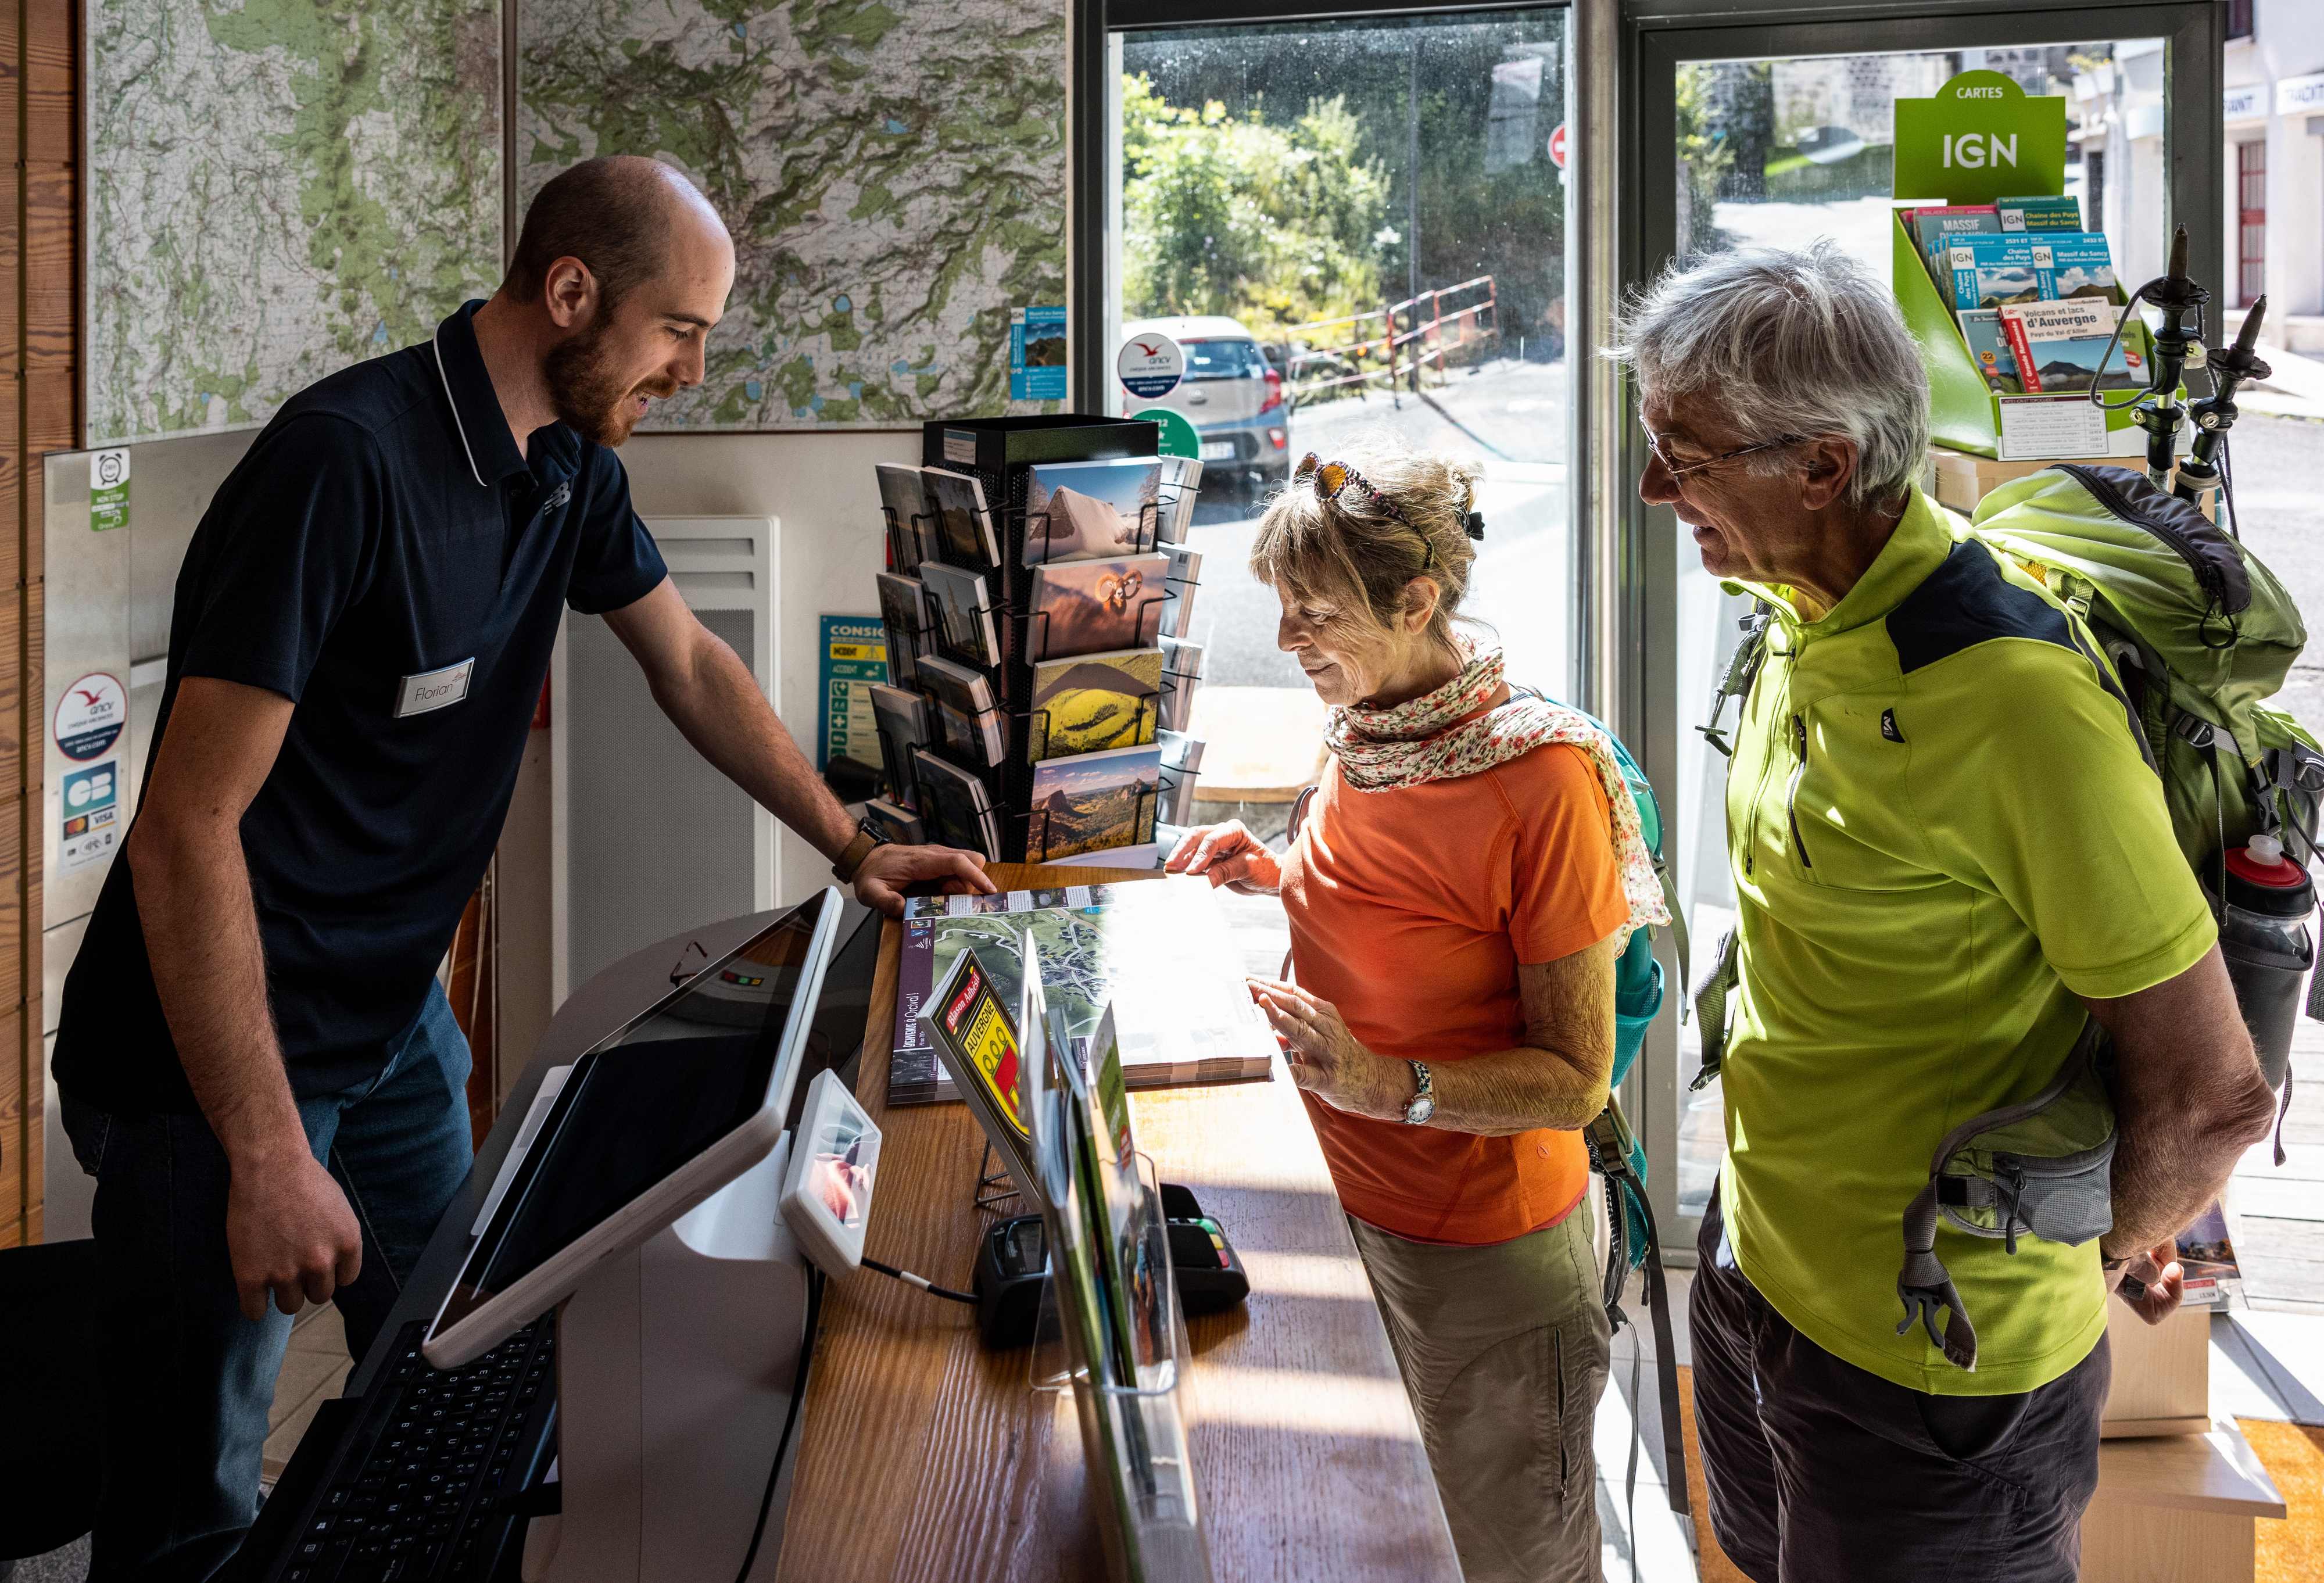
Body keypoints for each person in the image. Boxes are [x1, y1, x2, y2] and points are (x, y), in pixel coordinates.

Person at [50, 155, 994, 1581]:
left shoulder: (564, 463)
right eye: (679, 330)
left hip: (390, 1029)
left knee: (463, 1381)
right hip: (212, 1063)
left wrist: (855, 847)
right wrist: (261, 1146)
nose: (688, 369)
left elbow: (686, 662)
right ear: (570, 292)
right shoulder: (342, 464)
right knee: (195, 1509)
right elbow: (187, 826)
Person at [1609, 242, 2278, 1582]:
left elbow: (2212, 1096)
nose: (1649, 490)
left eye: (1683, 458)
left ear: (1821, 466)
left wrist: (2097, 1249)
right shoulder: (1798, 610)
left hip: (1939, 1368)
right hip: (1756, 1283)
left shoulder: (2013, 702)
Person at [1165, 445, 1667, 1583]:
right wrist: (1278, 871)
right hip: (1343, 1207)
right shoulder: (1376, 722)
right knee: (1393, 1530)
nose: (1289, 641)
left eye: (1314, 615)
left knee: (1512, 1553)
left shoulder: (1536, 783)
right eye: (1283, 610)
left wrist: (1378, 1082)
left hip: (1482, 1251)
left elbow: (1574, 1077)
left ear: (1415, 601)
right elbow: (1403, 904)